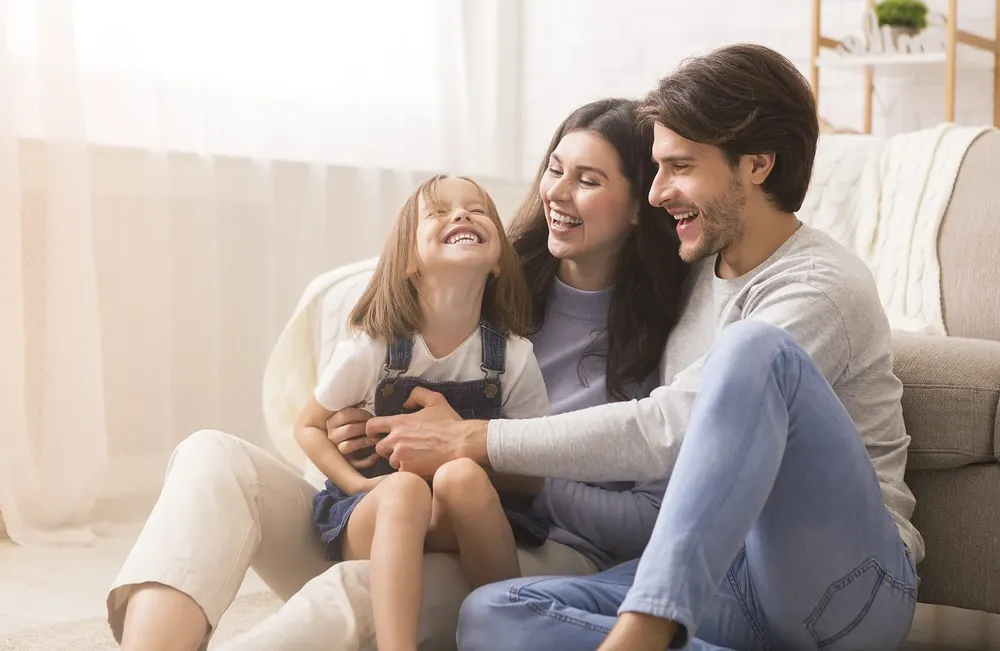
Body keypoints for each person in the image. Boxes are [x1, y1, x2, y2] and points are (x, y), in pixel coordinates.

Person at [364, 44, 924, 651]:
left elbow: (671, 427)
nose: (657, 194)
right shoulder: (693, 273)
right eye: (654, 169)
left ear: (757, 165)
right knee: (493, 614)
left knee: (752, 351)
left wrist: (475, 439)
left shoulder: (818, 286)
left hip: (847, 589)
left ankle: (646, 631)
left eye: (679, 167)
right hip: (725, 585)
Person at [105, 97, 688, 651]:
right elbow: (384, 346)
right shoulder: (494, 282)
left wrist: (486, 453)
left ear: (642, 204)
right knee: (212, 456)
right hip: (381, 514)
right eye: (555, 169)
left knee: (351, 599)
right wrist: (357, 430)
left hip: (526, 549)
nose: (557, 193)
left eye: (587, 180)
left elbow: (648, 524)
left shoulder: (662, 338)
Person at [296, 173, 555, 651]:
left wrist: (467, 452)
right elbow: (308, 425)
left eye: (476, 209)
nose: (461, 214)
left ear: (497, 260)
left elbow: (533, 474)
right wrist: (359, 484)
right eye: (438, 211)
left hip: (464, 521)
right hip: (377, 513)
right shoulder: (372, 346)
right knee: (405, 491)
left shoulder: (513, 357)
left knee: (462, 477)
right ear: (408, 261)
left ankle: (507, 635)